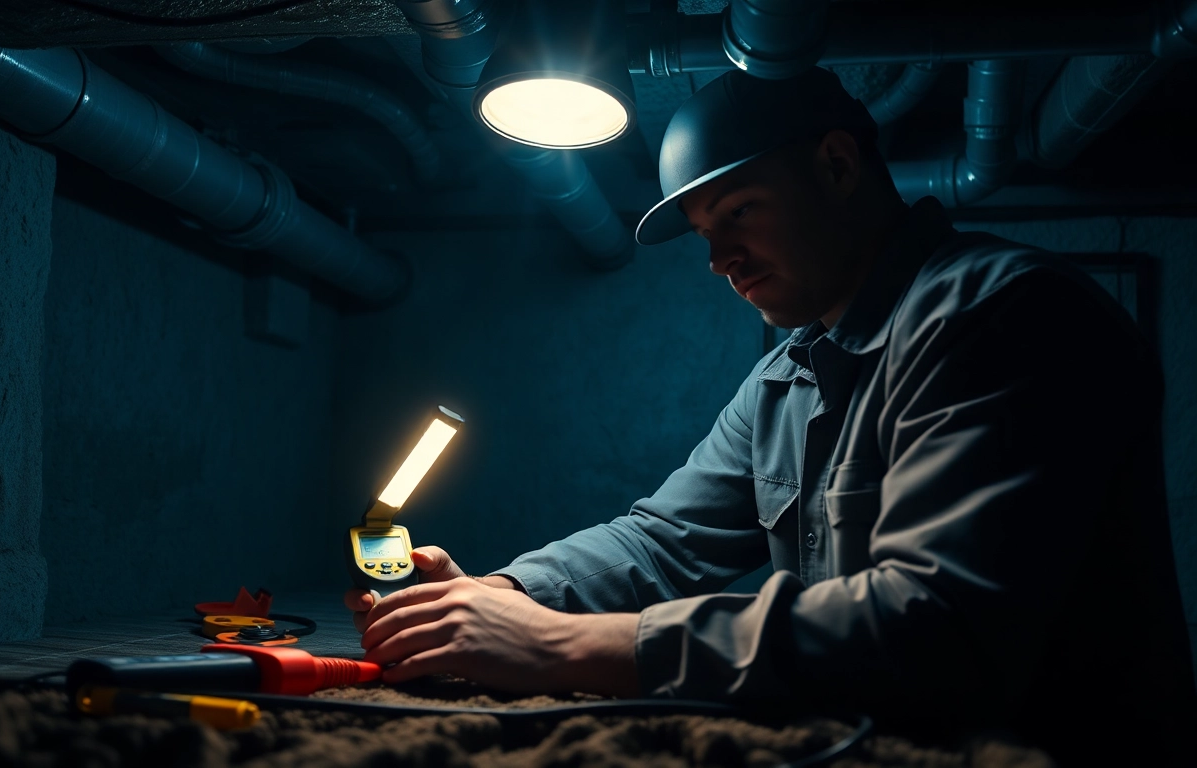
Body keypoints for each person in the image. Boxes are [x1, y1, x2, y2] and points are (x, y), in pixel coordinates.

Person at [343, 68, 1195, 763]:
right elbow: (662, 538)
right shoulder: (789, 373)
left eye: (738, 212)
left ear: (835, 164)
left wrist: (559, 646)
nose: (717, 260)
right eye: (706, 231)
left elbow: (932, 628)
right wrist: (499, 597)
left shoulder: (1008, 318)